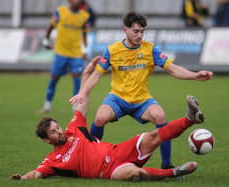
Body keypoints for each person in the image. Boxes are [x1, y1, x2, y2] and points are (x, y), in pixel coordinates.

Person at [11, 57, 205, 181]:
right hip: (108, 171)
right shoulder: (53, 160)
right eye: (53, 132)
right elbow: (36, 173)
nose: (59, 131)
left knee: (153, 135)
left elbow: (83, 99)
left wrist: (87, 73)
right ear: (47, 140)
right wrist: (21, 179)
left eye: (57, 127)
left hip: (117, 151)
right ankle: (173, 173)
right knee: (134, 173)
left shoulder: (74, 129)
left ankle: (190, 119)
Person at [69, 12, 213, 169]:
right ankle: (91, 159)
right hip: (117, 98)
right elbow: (96, 75)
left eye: (142, 31)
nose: (140, 35)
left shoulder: (150, 50)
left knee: (160, 116)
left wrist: (194, 75)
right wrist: (82, 92)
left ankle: (166, 165)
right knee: (99, 118)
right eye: (136, 31)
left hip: (141, 100)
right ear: (125, 30)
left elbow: (173, 69)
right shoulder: (112, 50)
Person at [39, 0, 90, 113]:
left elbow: (85, 34)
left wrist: (85, 49)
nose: (77, 1)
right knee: (54, 79)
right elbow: (50, 26)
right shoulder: (60, 12)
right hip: (60, 52)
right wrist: (46, 41)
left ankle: (75, 108)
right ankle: (47, 106)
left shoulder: (84, 16)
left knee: (77, 80)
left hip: (76, 54)